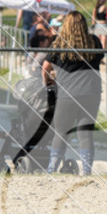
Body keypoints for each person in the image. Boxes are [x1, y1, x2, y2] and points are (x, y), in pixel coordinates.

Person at [41, 11, 102, 175]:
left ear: (65, 25)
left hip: (67, 94)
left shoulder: (59, 44)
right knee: (85, 134)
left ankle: (52, 168)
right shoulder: (94, 42)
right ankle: (87, 170)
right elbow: (99, 61)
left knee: (61, 132)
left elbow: (45, 67)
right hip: (91, 93)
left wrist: (48, 82)